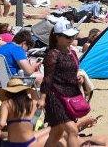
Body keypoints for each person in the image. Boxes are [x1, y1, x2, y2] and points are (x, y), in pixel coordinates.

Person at [42, 19, 83, 147]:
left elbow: (72, 72)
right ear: (57, 36)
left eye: (72, 36)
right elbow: (47, 78)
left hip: (70, 96)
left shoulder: (73, 53)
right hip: (56, 97)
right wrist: (42, 98)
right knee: (72, 130)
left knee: (56, 133)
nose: (71, 39)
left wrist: (78, 78)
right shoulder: (52, 54)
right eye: (67, 36)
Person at [0, 77, 37, 147]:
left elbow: (1, 124)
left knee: (2, 136)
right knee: (50, 130)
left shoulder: (6, 104)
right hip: (30, 142)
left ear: (8, 92)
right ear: (24, 91)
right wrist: (32, 91)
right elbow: (38, 105)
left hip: (13, 143)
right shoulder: (33, 103)